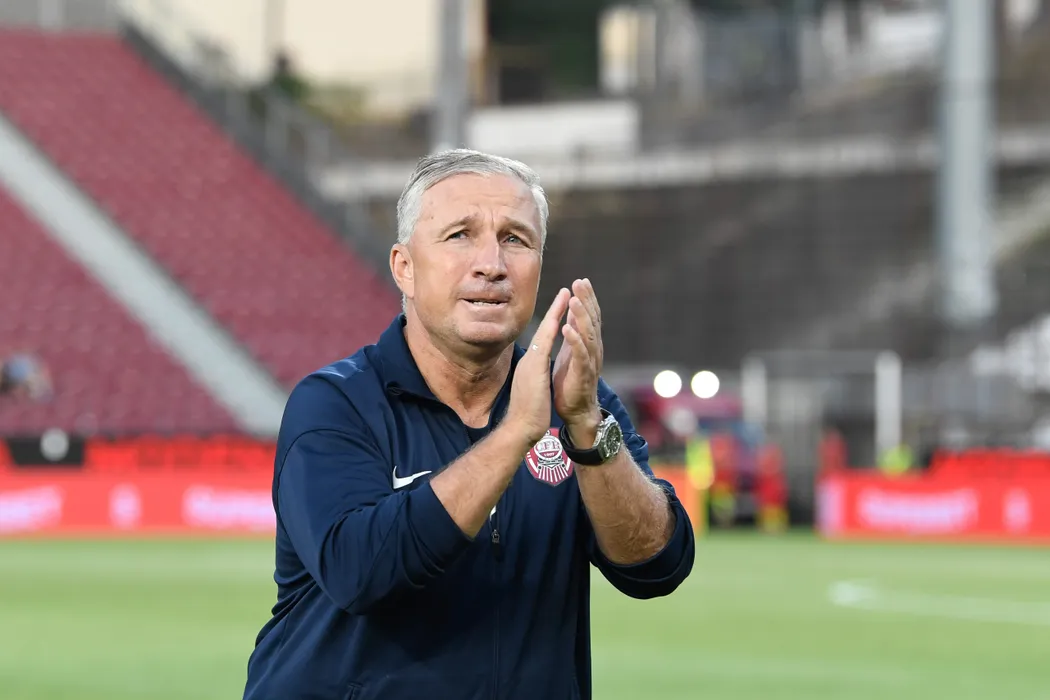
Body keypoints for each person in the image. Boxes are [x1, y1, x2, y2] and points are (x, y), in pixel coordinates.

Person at [241, 149, 696, 700]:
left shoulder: (580, 403)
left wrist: (585, 428)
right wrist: (516, 434)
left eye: (516, 239)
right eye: (460, 235)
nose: (492, 264)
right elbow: (359, 572)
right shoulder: (336, 403)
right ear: (404, 267)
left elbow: (657, 568)